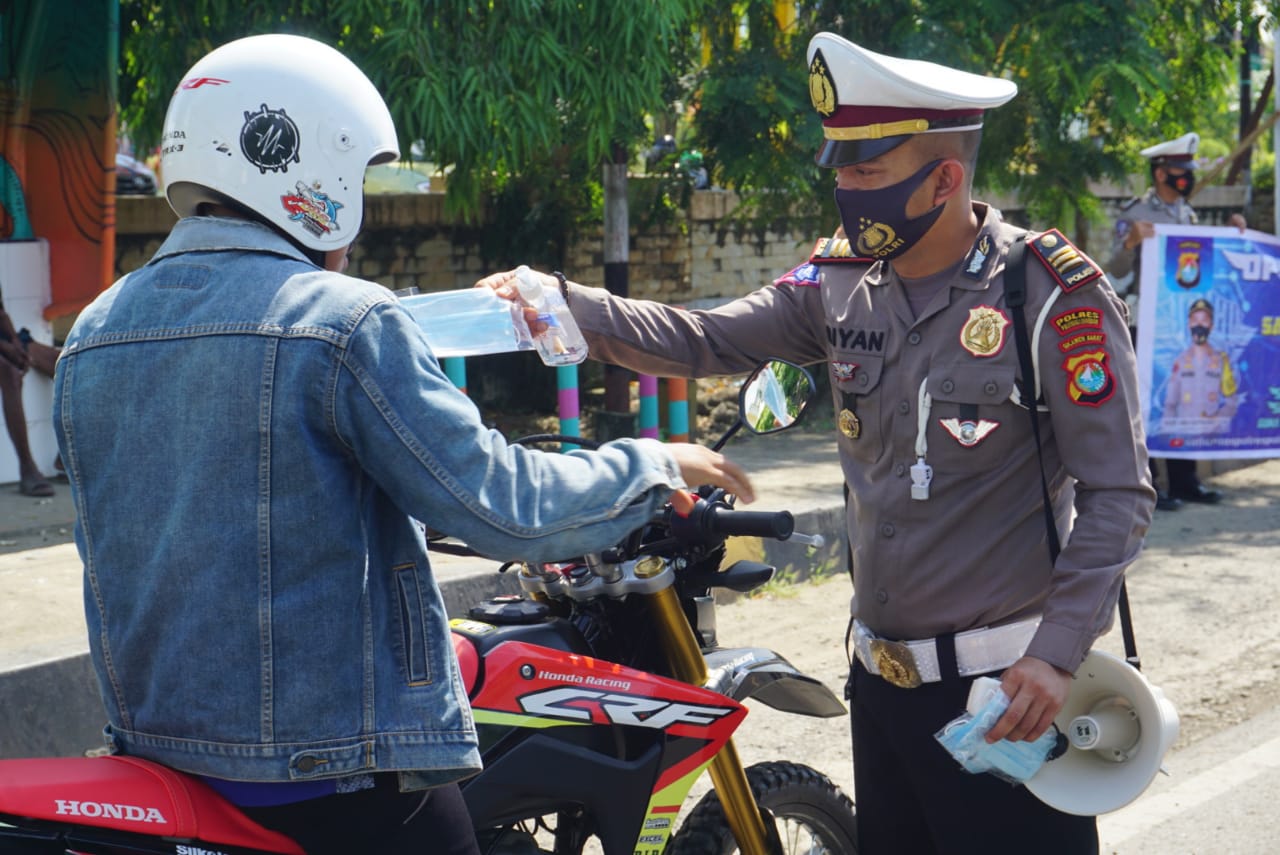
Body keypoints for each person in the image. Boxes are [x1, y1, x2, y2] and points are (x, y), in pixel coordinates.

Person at [52, 34, 753, 855]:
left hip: (164, 763)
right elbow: (504, 505)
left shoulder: (93, 334)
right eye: (354, 180)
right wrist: (652, 464)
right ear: (303, 173)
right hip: (333, 779)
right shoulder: (341, 318)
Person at [482, 32, 1154, 855]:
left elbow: (1119, 494)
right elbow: (703, 339)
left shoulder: (1047, 294)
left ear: (944, 178)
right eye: (840, 168)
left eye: (866, 171)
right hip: (879, 687)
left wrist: (1055, 657)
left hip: (1007, 697)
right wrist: (560, 302)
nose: (844, 188)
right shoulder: (838, 285)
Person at [1105, 131, 1244, 508]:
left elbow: (1201, 264)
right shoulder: (1135, 215)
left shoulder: (1188, 214)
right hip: (1145, 326)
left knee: (1185, 400)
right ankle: (1151, 486)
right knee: (1149, 403)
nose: (1187, 176)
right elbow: (1113, 272)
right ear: (1160, 172)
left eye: (1189, 170)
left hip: (1180, 327)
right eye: (1180, 170)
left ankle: (1186, 482)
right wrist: (1131, 242)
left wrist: (1236, 236)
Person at [0, 291, 60, 496]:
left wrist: (16, 344)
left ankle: (67, 454)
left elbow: (1, 314)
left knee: (63, 362)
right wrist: (6, 348)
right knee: (8, 371)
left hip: (4, 341)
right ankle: (27, 468)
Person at [1160, 297, 1239, 431]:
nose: (1199, 325)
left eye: (1204, 320)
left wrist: (1216, 420)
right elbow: (1170, 404)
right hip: (1184, 439)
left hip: (1212, 440)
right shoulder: (1180, 361)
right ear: (1189, 324)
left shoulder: (1221, 361)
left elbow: (1232, 403)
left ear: (1211, 326)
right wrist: (1166, 434)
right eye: (1195, 320)